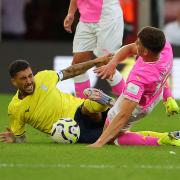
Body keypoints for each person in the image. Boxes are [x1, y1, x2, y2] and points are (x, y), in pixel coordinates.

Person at [85, 26, 179, 147]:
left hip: (138, 107)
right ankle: (167, 136)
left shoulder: (139, 78)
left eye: (138, 43)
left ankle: (161, 141)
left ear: (145, 52)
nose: (134, 44)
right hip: (155, 95)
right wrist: (168, 98)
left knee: (111, 137)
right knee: (117, 129)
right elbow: (130, 49)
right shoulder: (165, 48)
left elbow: (124, 114)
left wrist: (98, 143)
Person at [0, 55, 115, 143]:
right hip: (68, 131)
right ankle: (102, 105)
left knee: (89, 108)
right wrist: (14, 139)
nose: (29, 81)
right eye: (23, 78)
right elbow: (22, 138)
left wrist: (96, 62)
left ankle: (101, 101)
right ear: (14, 81)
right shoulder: (15, 108)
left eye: (30, 76)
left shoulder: (44, 77)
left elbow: (71, 71)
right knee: (111, 136)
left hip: (78, 107)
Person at [64, 0, 125, 98]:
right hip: (85, 19)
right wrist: (71, 13)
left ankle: (129, 102)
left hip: (108, 18)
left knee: (104, 64)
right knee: (78, 65)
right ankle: (84, 108)